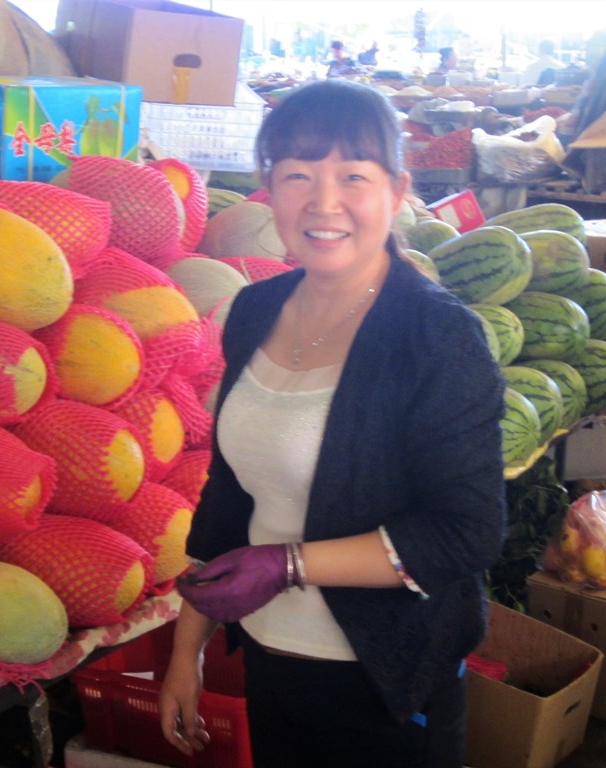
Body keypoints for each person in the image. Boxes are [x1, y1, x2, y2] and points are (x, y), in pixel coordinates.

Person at [158, 79, 507, 768]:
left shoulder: (437, 337)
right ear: (268, 188)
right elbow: (229, 494)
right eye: (297, 175)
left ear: (397, 188)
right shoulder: (256, 310)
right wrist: (185, 650)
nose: (323, 202)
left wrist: (289, 565)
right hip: (273, 664)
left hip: (386, 679)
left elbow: (466, 532)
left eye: (353, 175)